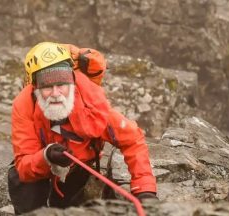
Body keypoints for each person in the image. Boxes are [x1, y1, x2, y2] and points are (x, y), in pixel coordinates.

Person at [8, 42, 158, 214]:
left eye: (62, 84)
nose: (56, 93)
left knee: (66, 208)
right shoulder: (24, 105)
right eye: (47, 86)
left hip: (77, 166)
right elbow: (24, 164)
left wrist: (145, 190)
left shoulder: (92, 103)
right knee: (20, 181)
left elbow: (132, 139)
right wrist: (46, 156)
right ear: (35, 87)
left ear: (72, 81)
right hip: (41, 161)